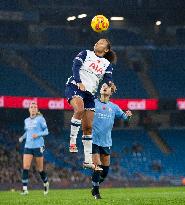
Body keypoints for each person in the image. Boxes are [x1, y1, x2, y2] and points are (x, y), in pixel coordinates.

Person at [65, 38, 117, 170]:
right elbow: (75, 67)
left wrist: (111, 84)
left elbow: (108, 78)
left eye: (101, 43)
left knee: (88, 127)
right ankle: (72, 142)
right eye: (97, 42)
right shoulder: (85, 53)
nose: (96, 43)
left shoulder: (107, 64)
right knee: (79, 110)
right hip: (75, 86)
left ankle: (87, 160)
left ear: (106, 50)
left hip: (90, 94)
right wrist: (79, 81)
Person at [91, 83, 132, 199]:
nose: (104, 87)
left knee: (105, 171)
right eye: (103, 86)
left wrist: (128, 115)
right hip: (93, 140)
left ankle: (95, 185)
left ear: (111, 92)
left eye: (107, 87)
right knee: (97, 166)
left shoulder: (114, 107)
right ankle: (96, 192)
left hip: (106, 142)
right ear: (100, 90)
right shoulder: (92, 102)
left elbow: (124, 117)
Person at [19, 102, 49, 195]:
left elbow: (46, 131)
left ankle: (46, 183)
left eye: (35, 107)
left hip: (38, 146)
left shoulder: (41, 119)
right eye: (31, 107)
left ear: (37, 109)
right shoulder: (26, 120)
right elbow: (28, 132)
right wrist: (22, 137)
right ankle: (25, 189)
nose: (33, 108)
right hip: (28, 146)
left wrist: (38, 134)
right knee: (25, 167)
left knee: (40, 169)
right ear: (29, 109)